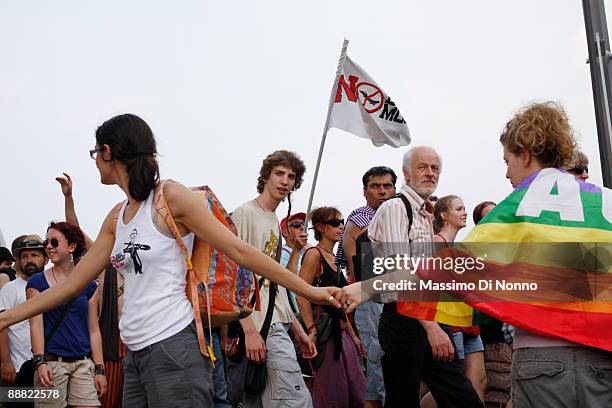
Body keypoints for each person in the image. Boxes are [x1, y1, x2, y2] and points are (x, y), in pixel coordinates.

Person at [0, 114, 345, 408]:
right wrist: (5, 319)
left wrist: (310, 292)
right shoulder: (117, 216)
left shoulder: (169, 197)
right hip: (135, 353)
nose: (95, 161)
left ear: (107, 152)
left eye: (95, 153)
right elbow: (74, 284)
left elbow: (239, 251)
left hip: (174, 349)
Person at [345, 146, 483, 408]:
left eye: (434, 168)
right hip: (404, 317)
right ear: (406, 173)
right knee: (404, 399)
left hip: (424, 316)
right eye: (422, 167)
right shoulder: (397, 207)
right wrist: (432, 328)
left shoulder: (426, 215)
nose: (430, 173)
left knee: (461, 395)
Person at [498, 102, 612, 407]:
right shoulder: (605, 202)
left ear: (525, 155)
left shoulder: (518, 205)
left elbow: (455, 266)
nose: (507, 171)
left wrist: (371, 287)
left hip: (540, 359)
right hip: (603, 355)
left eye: (507, 160)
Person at [230, 150, 317, 408]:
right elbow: (233, 273)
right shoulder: (245, 213)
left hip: (277, 324)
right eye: (279, 173)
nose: (285, 181)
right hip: (258, 326)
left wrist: (298, 330)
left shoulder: (274, 221)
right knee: (296, 402)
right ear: (265, 176)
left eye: (291, 176)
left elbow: (274, 285)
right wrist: (248, 331)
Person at [56, 172, 123, 408]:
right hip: (113, 343)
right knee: (107, 401)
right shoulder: (107, 263)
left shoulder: (147, 262)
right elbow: (76, 232)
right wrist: (69, 198)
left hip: (142, 340)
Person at [334, 165, 397, 408]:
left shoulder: (399, 214)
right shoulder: (361, 218)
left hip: (396, 294)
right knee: (378, 359)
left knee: (387, 361)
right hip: (372, 297)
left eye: (387, 186)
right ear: (365, 191)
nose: (382, 191)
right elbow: (358, 268)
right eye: (375, 186)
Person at [27, 222, 106, 408]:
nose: (48, 247)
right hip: (52, 364)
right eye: (47, 242)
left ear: (71, 247)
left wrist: (100, 369)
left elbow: (93, 329)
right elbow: (35, 324)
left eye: (54, 242)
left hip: (82, 364)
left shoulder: (89, 285)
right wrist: (40, 362)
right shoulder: (36, 282)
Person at [298, 206, 366, 408]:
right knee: (332, 389)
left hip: (340, 331)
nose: (341, 226)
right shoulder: (314, 254)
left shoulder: (335, 259)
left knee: (356, 386)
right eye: (335, 223)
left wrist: (353, 336)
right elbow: (301, 293)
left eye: (342, 222)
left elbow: (340, 307)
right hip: (324, 332)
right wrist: (312, 330)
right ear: (320, 227)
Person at [421, 196, 486, 406]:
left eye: (464, 208)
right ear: (444, 215)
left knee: (478, 381)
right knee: (451, 386)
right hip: (447, 323)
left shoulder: (455, 247)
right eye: (459, 209)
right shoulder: (435, 243)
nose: (465, 212)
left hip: (467, 324)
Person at [0, 235, 47, 391]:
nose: (29, 260)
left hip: (50, 369)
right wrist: (6, 362)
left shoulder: (55, 288)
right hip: (19, 369)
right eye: (24, 256)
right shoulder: (10, 288)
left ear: (45, 258)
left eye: (34, 255)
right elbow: (2, 326)